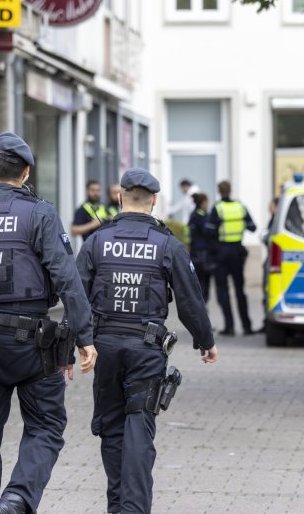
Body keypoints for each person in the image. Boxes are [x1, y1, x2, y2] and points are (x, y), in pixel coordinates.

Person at [0, 132, 97, 514]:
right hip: (32, 342)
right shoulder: (39, 213)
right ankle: (17, 498)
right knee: (47, 426)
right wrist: (84, 337)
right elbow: (67, 277)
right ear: (27, 172)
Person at [76, 169, 217, 514]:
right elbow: (189, 299)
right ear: (154, 201)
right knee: (138, 426)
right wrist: (205, 340)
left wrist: (77, 342)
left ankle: (117, 505)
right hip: (146, 349)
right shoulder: (167, 244)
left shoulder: (97, 240)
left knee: (111, 428)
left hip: (104, 346)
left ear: (120, 197)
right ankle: (133, 508)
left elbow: (75, 293)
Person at [206, 180, 257, 336]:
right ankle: (247, 326)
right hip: (237, 252)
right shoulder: (240, 207)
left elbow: (209, 232)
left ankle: (229, 327)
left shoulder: (217, 208)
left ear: (219, 191)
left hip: (222, 252)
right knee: (240, 291)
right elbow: (252, 227)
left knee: (223, 291)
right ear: (230, 190)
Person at [187, 192, 216, 304]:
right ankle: (202, 304)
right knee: (205, 281)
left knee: (198, 281)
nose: (207, 204)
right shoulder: (202, 216)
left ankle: (201, 304)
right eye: (206, 202)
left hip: (196, 253)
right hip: (203, 253)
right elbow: (208, 233)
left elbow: (189, 234)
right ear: (202, 202)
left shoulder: (193, 215)